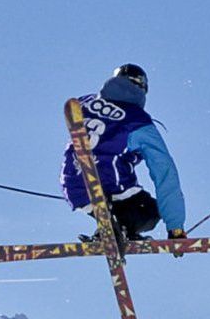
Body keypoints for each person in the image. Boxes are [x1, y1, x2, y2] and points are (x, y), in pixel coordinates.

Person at [60, 63, 187, 246]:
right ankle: (123, 228)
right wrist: (175, 227)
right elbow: (164, 170)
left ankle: (110, 228)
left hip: (74, 186)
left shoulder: (85, 101)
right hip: (114, 186)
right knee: (149, 213)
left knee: (114, 202)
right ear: (143, 89)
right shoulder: (138, 122)